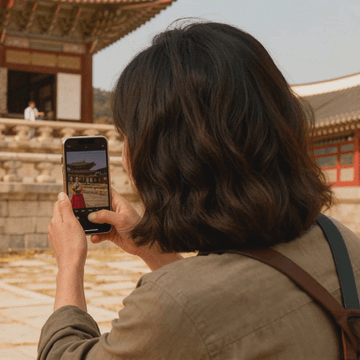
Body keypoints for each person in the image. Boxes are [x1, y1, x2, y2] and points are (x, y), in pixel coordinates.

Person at [39, 21, 358, 359]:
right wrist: (151, 249)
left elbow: (65, 353)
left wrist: (70, 264)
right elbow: (227, 310)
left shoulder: (168, 306)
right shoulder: (340, 241)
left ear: (162, 158)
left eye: (129, 135)